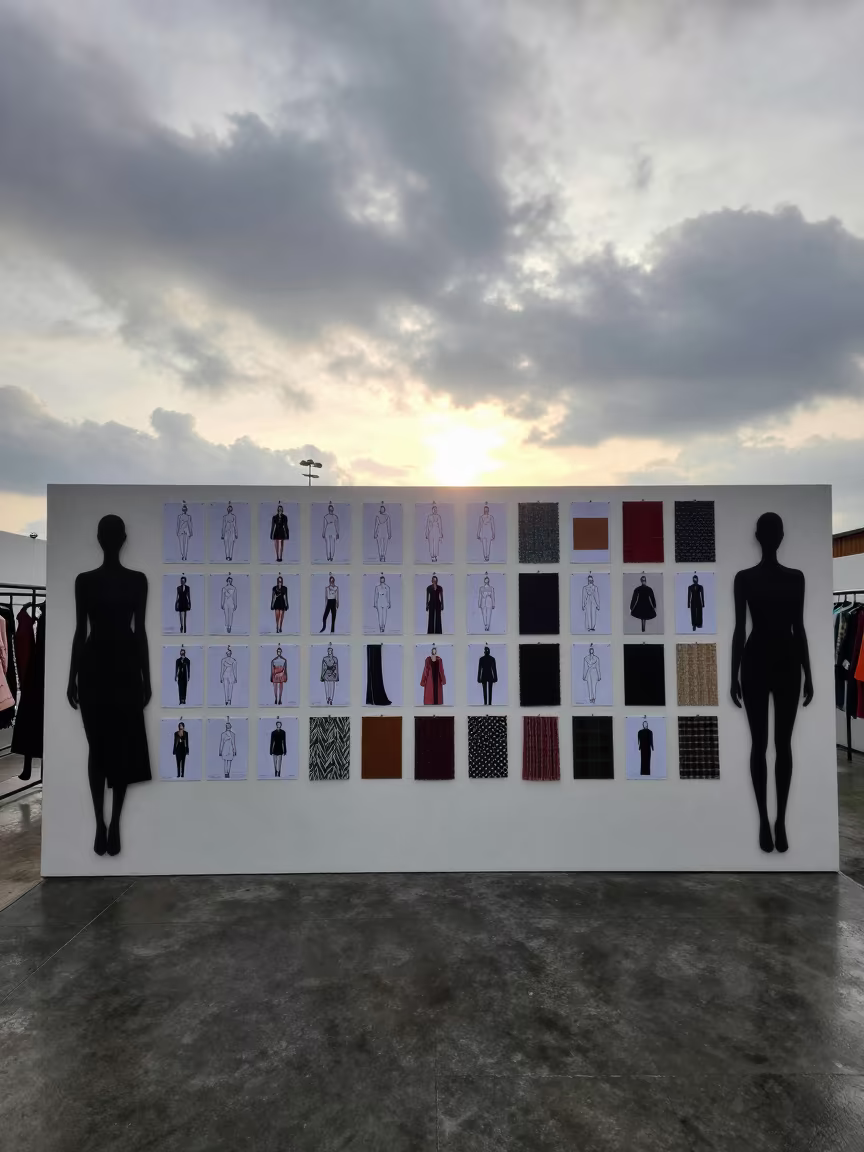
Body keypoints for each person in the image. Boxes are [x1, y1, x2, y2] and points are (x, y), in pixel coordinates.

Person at [67, 514, 151, 857]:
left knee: (111, 748)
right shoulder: (90, 581)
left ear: (103, 538)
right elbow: (81, 630)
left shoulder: (122, 580)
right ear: (121, 538)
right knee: (106, 747)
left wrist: (146, 677)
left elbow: (83, 632)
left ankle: (111, 823)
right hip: (110, 667)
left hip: (108, 666)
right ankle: (105, 823)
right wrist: (71, 676)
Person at [731, 512, 813, 854]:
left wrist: (734, 672)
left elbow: (742, 630)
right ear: (779, 536)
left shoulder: (749, 578)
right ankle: (770, 821)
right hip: (782, 661)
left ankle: (772, 821)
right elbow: (798, 629)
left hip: (761, 660)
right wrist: (808, 671)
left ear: (758, 535)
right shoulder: (791, 578)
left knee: (765, 745)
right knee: (778, 745)